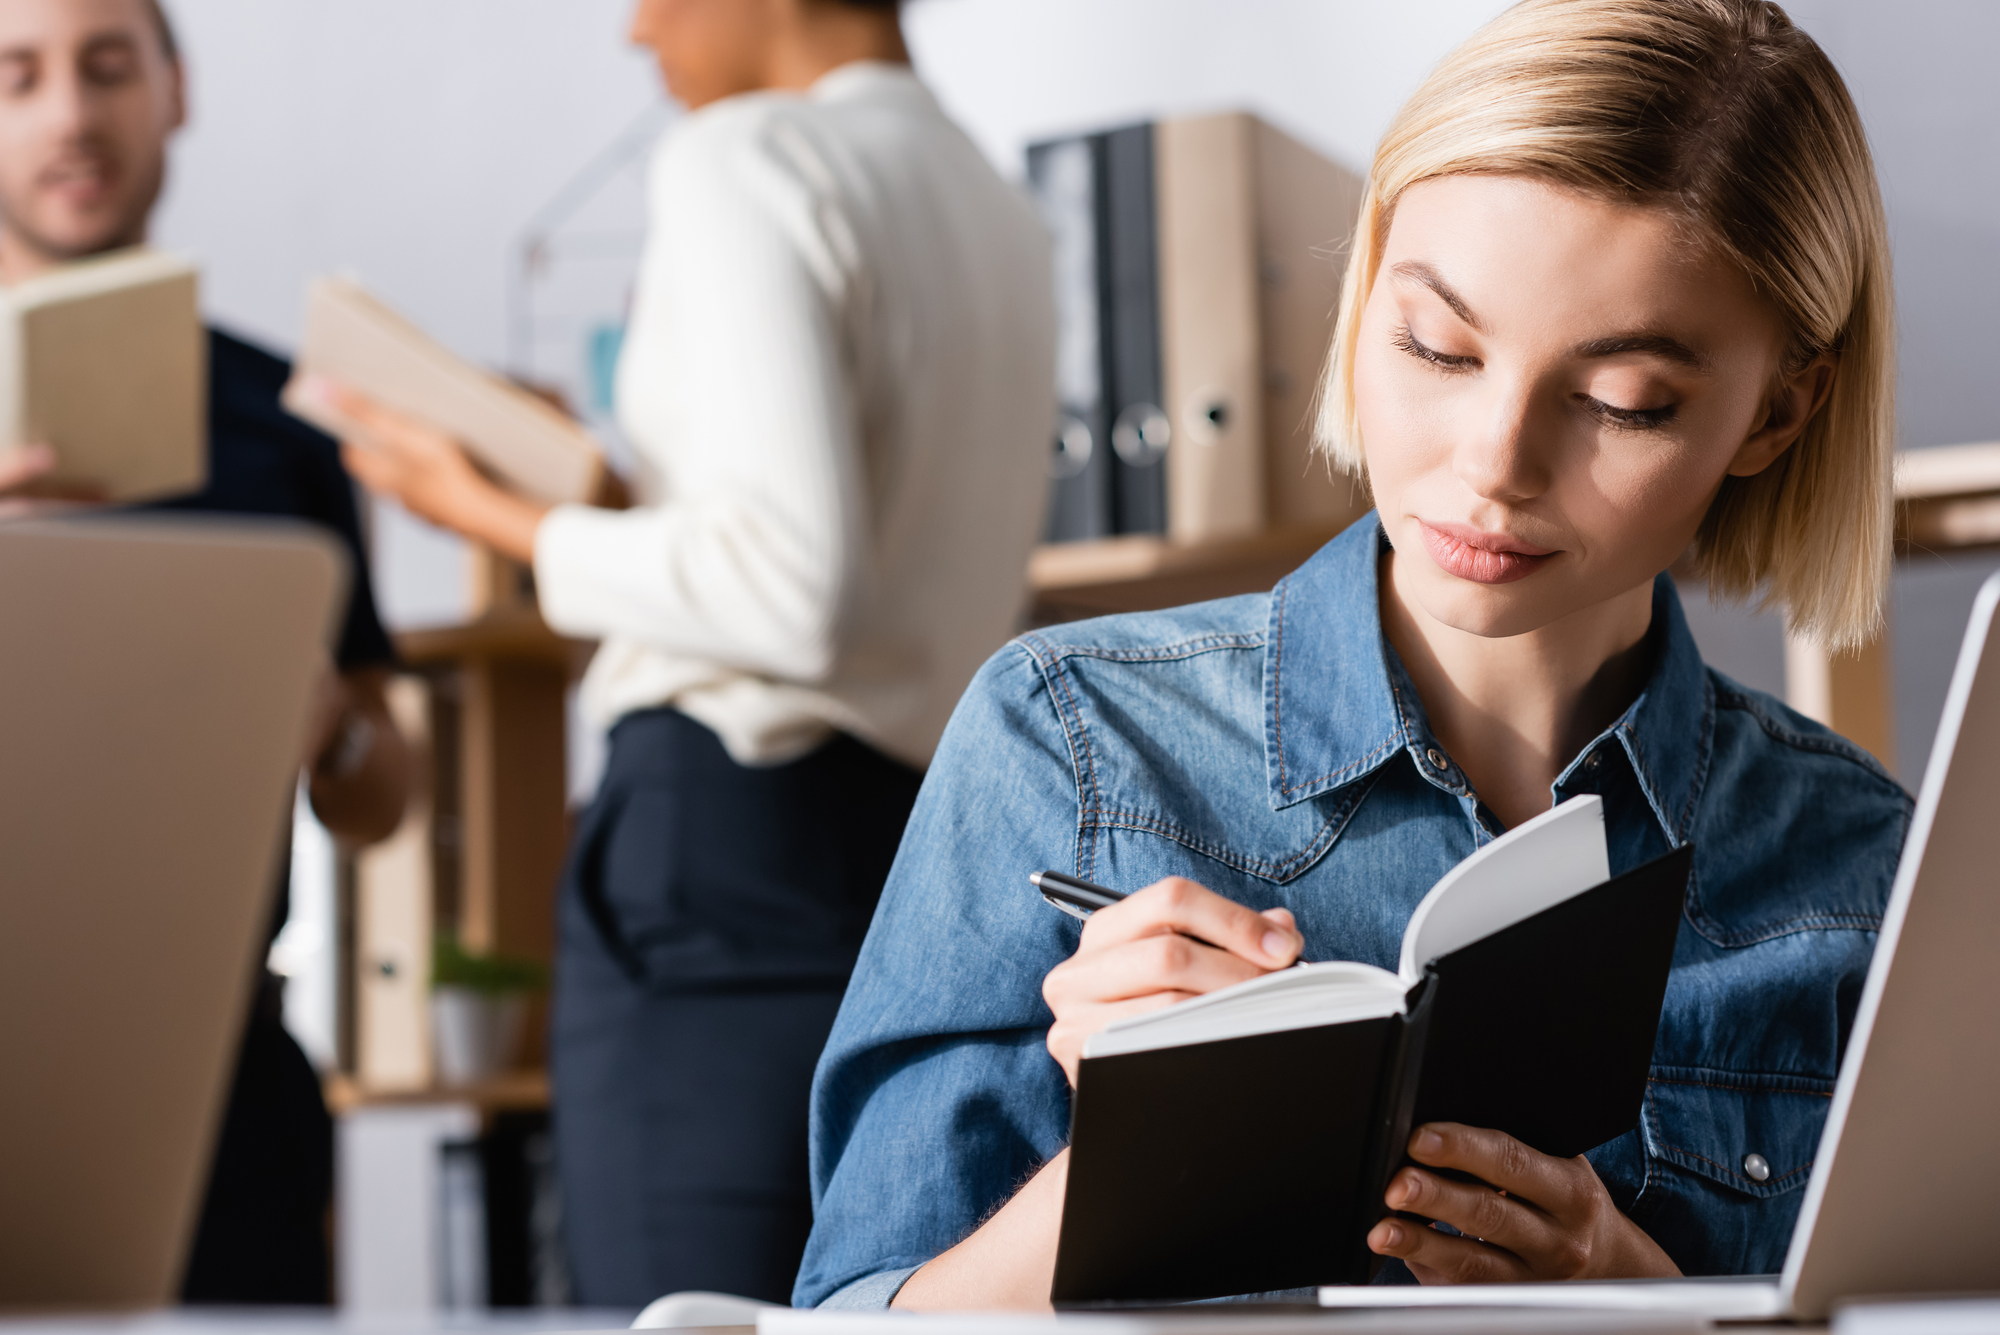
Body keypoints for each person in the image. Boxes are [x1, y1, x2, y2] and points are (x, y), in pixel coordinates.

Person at [795, 0, 1911, 1309]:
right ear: (1367, 282)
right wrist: (1132, 1158)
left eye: (1623, 402)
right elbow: (850, 1313)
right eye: (1437, 345)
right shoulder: (1076, 744)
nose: (1493, 465)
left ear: (1776, 412)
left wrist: (1622, 1279)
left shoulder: (1858, 862)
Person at [321, 0, 1055, 1306]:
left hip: (721, 863)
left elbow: (789, 590)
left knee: (684, 1313)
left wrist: (490, 512)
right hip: (922, 851)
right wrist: (600, 497)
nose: (636, 30)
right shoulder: (998, 206)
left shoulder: (745, 157)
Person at [0, 0, 411, 1302]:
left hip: (218, 1082)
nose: (71, 113)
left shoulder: (278, 424)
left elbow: (383, 794)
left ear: (175, 91)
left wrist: (328, 724)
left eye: (109, 68)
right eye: (17, 76)